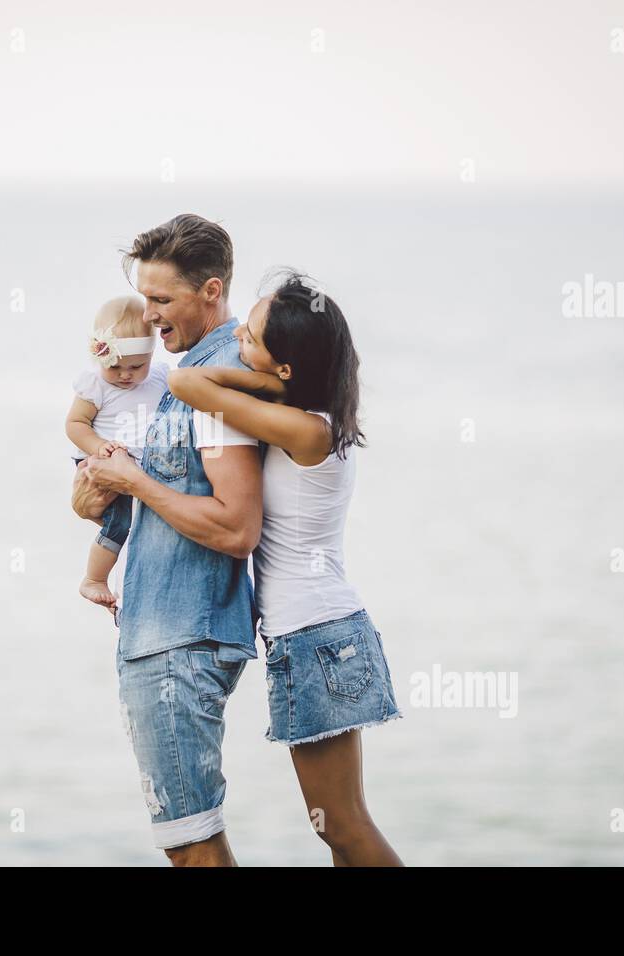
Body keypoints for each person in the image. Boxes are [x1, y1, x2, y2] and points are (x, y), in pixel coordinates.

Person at [166, 270, 406, 866]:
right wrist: (267, 376)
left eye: (248, 336)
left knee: (343, 826)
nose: (237, 342)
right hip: (326, 631)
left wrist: (256, 382)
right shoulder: (316, 418)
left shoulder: (304, 430)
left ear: (287, 369)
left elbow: (188, 383)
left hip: (314, 636)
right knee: (341, 826)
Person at [75, 214, 262, 865]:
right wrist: (98, 490)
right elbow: (150, 491)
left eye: (161, 300)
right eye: (143, 296)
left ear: (210, 291)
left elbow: (236, 526)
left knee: (193, 849)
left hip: (182, 637)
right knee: (188, 843)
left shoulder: (214, 379)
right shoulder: (186, 377)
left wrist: (136, 480)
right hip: (164, 632)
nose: (147, 316)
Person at [64, 295, 168, 613]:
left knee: (141, 525)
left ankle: (128, 590)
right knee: (119, 522)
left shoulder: (160, 378)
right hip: (103, 461)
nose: (125, 375)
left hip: (139, 465)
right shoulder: (96, 385)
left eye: (136, 366)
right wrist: (99, 446)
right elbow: (75, 424)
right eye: (115, 367)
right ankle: (93, 578)